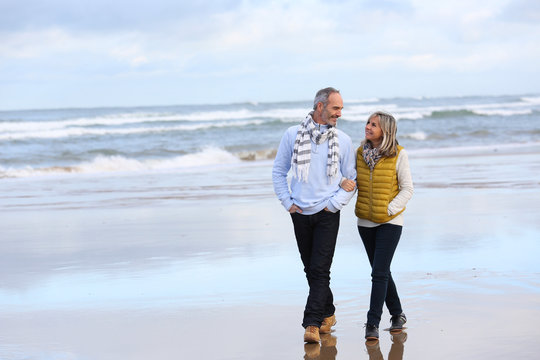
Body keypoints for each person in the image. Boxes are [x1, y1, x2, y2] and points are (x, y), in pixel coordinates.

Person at [272, 87, 357, 343]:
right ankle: (328, 312)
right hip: (300, 212)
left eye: (341, 108)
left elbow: (352, 178)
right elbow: (278, 171)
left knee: (320, 270)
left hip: (327, 213)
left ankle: (312, 324)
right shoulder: (292, 135)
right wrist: (287, 202)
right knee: (311, 269)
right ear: (320, 107)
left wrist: (334, 205)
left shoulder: (342, 140)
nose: (339, 114)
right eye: (336, 108)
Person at [341, 111, 413, 341]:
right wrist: (339, 195)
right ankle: (398, 314)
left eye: (374, 124)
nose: (368, 127)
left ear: (386, 131)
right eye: (368, 123)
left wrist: (390, 209)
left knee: (378, 273)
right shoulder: (360, 153)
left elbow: (407, 189)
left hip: (390, 223)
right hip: (365, 222)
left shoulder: (399, 155)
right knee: (381, 272)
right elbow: (352, 184)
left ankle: (372, 323)